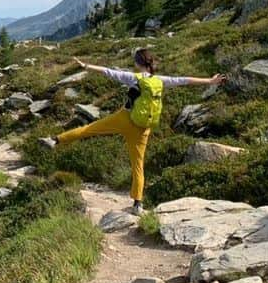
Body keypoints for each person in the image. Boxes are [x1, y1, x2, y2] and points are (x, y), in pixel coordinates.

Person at [39, 48, 225, 214]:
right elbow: (184, 80)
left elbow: (108, 72)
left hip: (124, 118)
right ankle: (138, 203)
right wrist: (210, 81)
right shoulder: (160, 81)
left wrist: (86, 65)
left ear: (137, 63)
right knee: (138, 165)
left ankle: (55, 140)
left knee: (89, 129)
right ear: (151, 63)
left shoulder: (133, 78)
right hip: (143, 128)